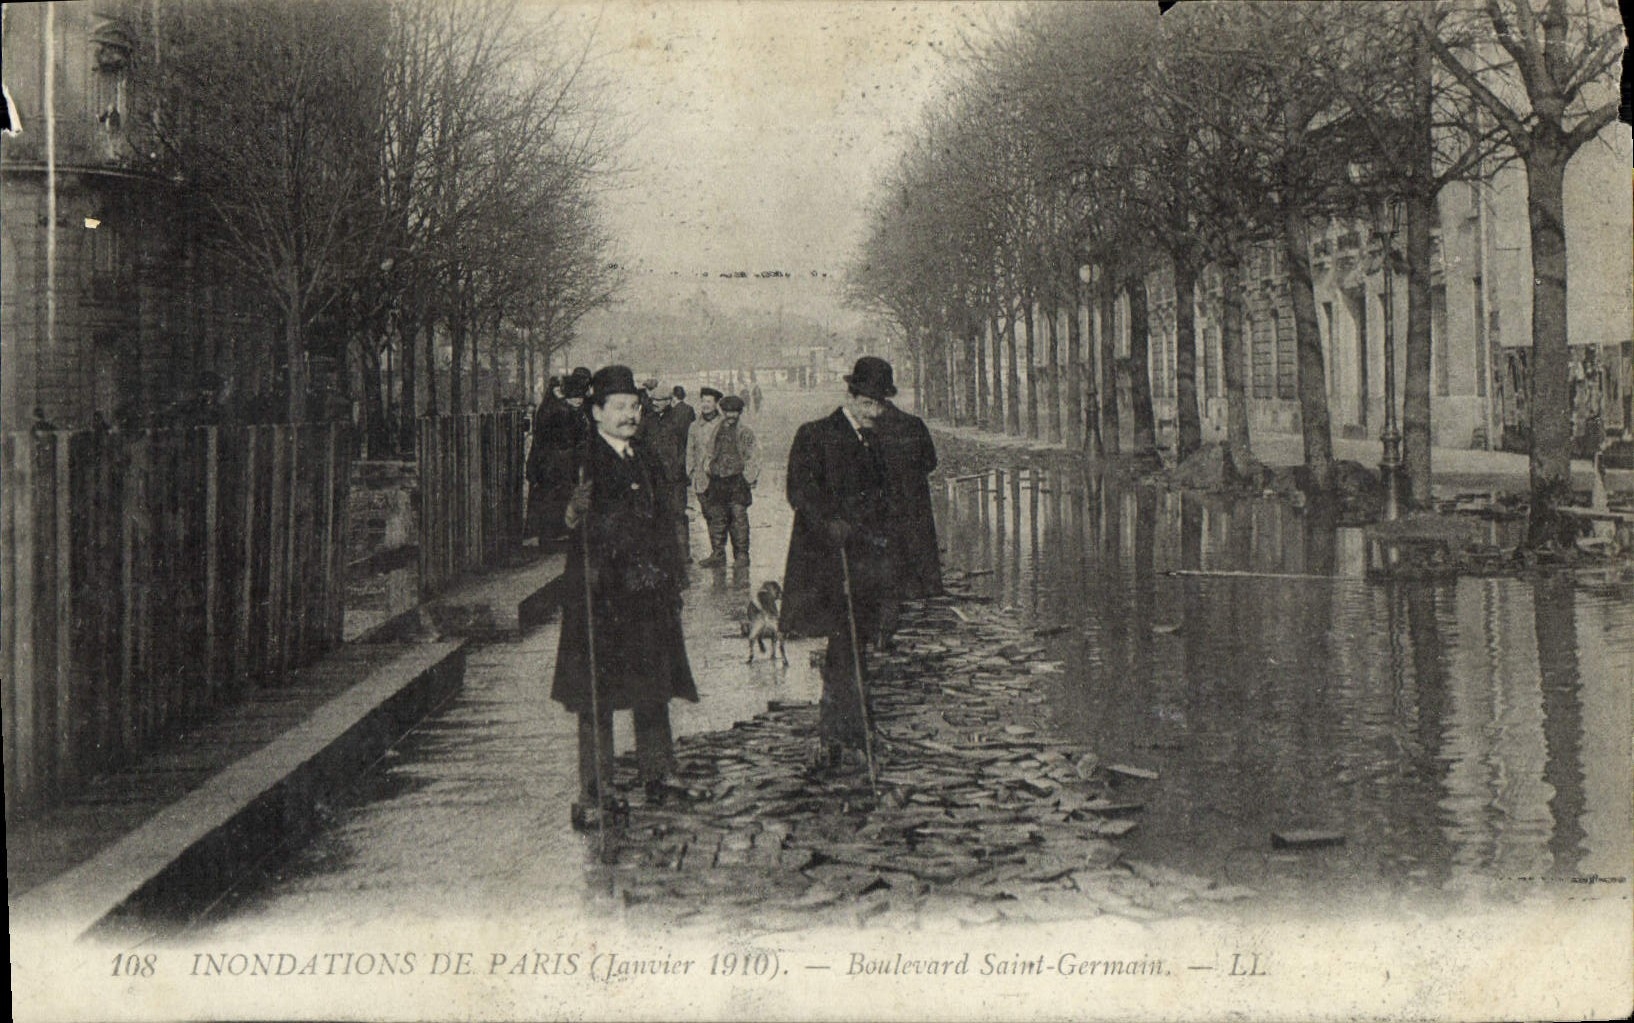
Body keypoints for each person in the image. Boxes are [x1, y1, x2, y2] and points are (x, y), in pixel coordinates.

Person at [552, 365, 698, 827]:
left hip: (647, 590)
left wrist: (672, 574)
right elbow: (557, 519)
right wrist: (571, 511)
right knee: (597, 693)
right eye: (619, 407)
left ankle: (659, 771)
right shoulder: (581, 460)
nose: (630, 415)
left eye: (634, 406)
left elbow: (664, 521)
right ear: (597, 412)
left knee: (653, 682)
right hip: (601, 594)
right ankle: (596, 791)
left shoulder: (645, 458)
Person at [780, 356, 899, 770]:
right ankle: (843, 732)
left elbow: (883, 497)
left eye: (880, 404)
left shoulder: (874, 441)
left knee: (854, 644)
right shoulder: (815, 435)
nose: (874, 412)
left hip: (864, 559)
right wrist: (830, 523)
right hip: (825, 562)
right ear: (849, 396)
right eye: (867, 403)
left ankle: (849, 730)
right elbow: (799, 490)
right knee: (842, 644)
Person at [873, 396, 942, 647]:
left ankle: (893, 594)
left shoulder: (872, 429)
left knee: (890, 544)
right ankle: (922, 588)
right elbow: (931, 462)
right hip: (915, 498)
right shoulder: (915, 424)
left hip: (886, 499)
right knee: (918, 541)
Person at [526, 368, 590, 543]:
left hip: (560, 460)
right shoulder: (558, 411)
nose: (578, 400)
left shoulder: (570, 411)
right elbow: (557, 439)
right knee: (551, 497)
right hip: (554, 461)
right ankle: (547, 534)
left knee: (558, 497)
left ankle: (554, 533)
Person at [696, 393, 759, 567]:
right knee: (717, 519)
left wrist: (748, 478)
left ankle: (742, 556)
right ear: (723, 412)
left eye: (734, 412)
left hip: (737, 482)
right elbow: (709, 451)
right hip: (717, 481)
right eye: (727, 412)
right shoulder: (717, 429)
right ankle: (718, 554)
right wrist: (708, 468)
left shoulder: (745, 432)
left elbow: (753, 457)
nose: (731, 415)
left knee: (738, 519)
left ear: (740, 412)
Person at [686, 386, 725, 556]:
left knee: (720, 516)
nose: (705, 405)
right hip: (701, 479)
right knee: (708, 514)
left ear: (716, 404)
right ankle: (717, 552)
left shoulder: (724, 424)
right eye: (703, 401)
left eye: (709, 401)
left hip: (720, 478)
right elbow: (690, 450)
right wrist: (691, 473)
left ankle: (720, 552)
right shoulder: (694, 426)